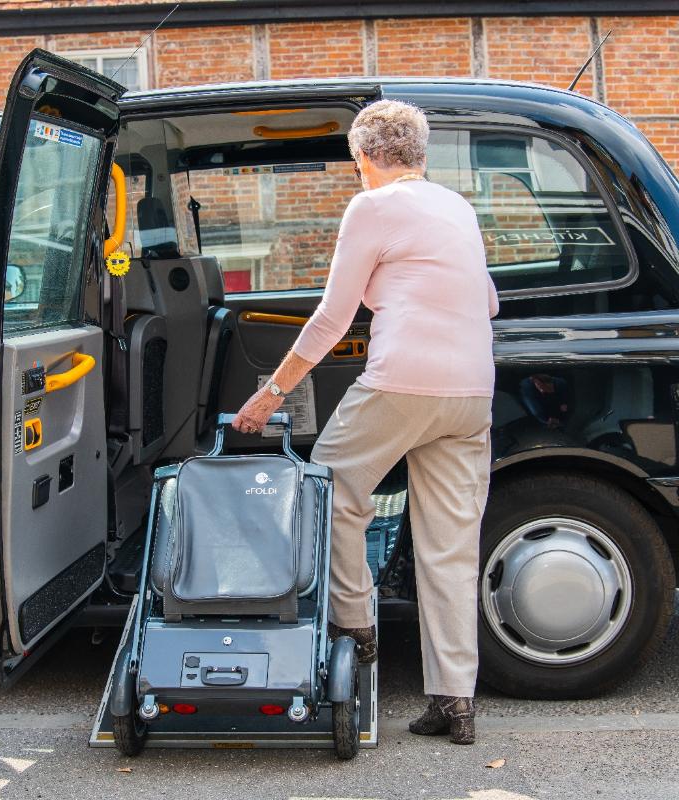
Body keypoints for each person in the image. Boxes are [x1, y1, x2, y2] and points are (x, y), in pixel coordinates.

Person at [232, 99, 498, 746]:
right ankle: (454, 703)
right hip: (472, 392)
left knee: (328, 483)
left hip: (403, 381)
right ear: (420, 154)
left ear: (363, 158)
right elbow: (487, 300)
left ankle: (355, 622)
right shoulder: (456, 207)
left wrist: (271, 394)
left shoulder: (371, 206)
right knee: (451, 550)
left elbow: (331, 318)